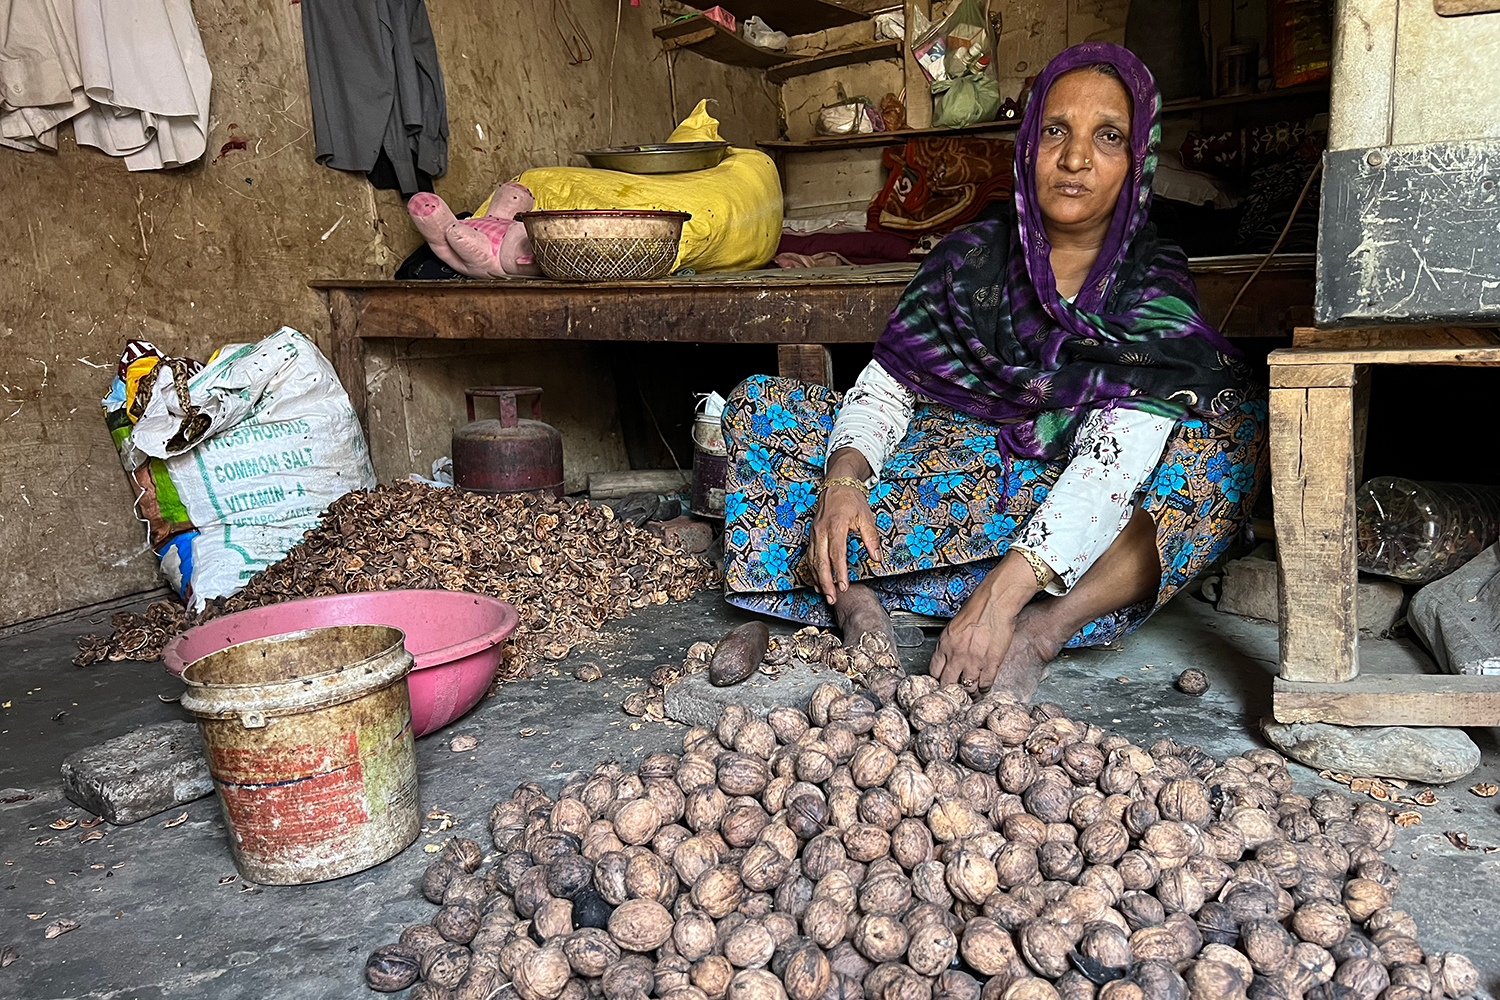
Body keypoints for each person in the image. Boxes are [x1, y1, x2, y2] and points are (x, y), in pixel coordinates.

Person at [720, 42, 1266, 701]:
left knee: (1222, 447)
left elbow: (1113, 466)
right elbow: (889, 389)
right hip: (962, 465)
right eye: (1056, 131)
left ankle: (1042, 628)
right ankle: (854, 588)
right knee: (757, 405)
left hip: (1076, 503)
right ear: (1028, 142)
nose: (1073, 159)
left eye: (1108, 137)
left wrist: (1004, 599)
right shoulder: (968, 258)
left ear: (1137, 160)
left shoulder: (1151, 287)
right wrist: (842, 483)